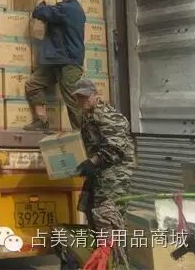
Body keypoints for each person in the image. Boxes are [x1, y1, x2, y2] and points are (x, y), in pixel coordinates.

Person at [72, 79, 134, 266]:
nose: (83, 100)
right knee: (93, 216)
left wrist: (92, 162)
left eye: (85, 96)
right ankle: (101, 262)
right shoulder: (88, 116)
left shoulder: (107, 115)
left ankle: (116, 263)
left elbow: (116, 147)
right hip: (99, 175)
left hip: (114, 178)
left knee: (108, 220)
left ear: (94, 95)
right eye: (79, 97)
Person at [24, 0, 86, 131]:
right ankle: (42, 120)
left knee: (72, 100)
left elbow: (40, 12)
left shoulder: (68, 8)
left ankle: (83, 136)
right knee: (33, 84)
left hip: (69, 62)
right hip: (56, 60)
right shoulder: (71, 9)